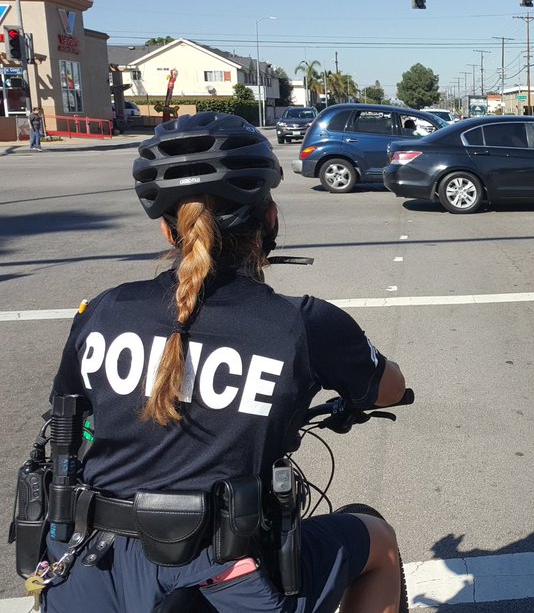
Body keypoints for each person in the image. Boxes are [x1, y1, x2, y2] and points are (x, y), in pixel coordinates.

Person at [36, 113, 408, 612]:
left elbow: (70, 415)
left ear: (171, 232)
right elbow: (388, 388)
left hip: (89, 571)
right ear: (269, 218)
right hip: (228, 573)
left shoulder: (103, 310)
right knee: (378, 542)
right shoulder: (301, 323)